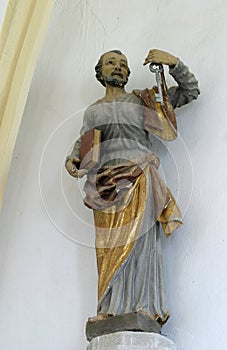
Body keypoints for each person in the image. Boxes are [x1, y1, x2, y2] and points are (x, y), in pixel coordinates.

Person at [65, 49, 200, 325]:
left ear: (128, 73)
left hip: (139, 176)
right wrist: (73, 157)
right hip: (104, 185)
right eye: (111, 63)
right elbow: (86, 142)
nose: (118, 67)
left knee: (140, 244)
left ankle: (142, 305)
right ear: (100, 73)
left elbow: (190, 91)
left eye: (123, 64)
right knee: (107, 246)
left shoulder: (144, 102)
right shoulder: (94, 111)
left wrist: (173, 62)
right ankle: (109, 307)